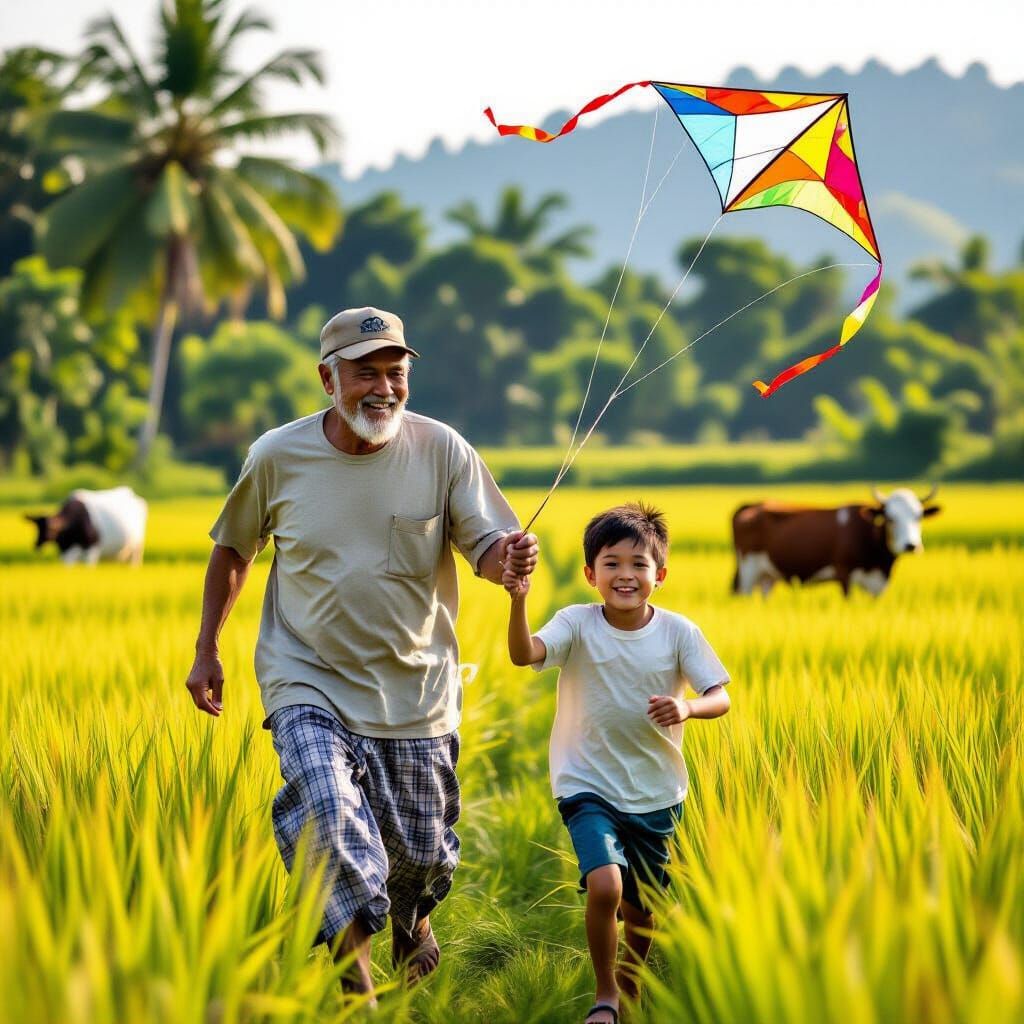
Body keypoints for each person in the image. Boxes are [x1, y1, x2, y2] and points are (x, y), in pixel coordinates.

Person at [185, 306, 538, 1004]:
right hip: (305, 679)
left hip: (417, 690)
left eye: (395, 373)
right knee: (327, 812)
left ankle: (412, 922)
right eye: (365, 373)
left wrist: (512, 560)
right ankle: (359, 990)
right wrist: (207, 649)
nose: (383, 388)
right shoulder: (276, 456)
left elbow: (488, 551)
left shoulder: (443, 450)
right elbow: (234, 547)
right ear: (328, 378)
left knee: (419, 858)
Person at [505, 502, 729, 1024]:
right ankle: (605, 995)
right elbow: (525, 654)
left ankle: (630, 985)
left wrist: (688, 706)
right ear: (590, 573)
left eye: (638, 564)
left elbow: (720, 695)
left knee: (641, 908)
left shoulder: (679, 633)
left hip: (657, 789)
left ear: (660, 574)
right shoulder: (576, 624)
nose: (625, 575)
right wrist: (518, 602)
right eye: (611, 563)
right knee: (606, 884)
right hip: (586, 783)